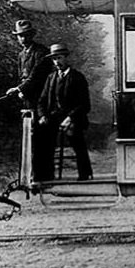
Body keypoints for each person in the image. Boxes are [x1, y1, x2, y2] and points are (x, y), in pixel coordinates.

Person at [5, 19, 54, 182]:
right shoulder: (21, 55)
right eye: (20, 36)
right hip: (27, 100)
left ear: (32, 35)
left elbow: (37, 77)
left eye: (26, 35)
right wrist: (21, 91)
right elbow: (22, 77)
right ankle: (30, 176)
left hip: (42, 101)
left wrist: (19, 89)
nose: (23, 39)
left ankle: (44, 177)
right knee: (29, 138)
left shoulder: (42, 53)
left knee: (42, 139)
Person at [37, 43, 93, 181]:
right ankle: (46, 176)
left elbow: (85, 105)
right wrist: (43, 115)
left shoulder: (77, 77)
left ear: (66, 58)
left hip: (73, 118)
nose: (57, 62)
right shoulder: (51, 78)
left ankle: (84, 174)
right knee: (43, 138)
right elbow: (41, 100)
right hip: (54, 117)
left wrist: (70, 118)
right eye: (54, 59)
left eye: (60, 58)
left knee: (75, 138)